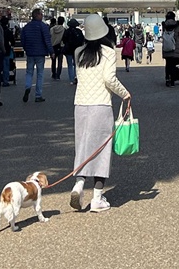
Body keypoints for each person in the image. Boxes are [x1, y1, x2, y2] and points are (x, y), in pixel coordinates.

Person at [70, 13, 132, 213]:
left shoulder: (78, 52)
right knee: (101, 150)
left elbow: (81, 77)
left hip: (80, 105)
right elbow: (109, 79)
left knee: (83, 146)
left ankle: (78, 184)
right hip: (101, 105)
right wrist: (125, 94)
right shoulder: (108, 52)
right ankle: (97, 197)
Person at [20, 8, 51, 103]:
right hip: (40, 52)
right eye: (41, 14)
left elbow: (23, 39)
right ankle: (38, 95)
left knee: (29, 72)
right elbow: (47, 40)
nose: (42, 16)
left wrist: (26, 48)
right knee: (40, 74)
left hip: (30, 52)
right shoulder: (43, 26)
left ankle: (28, 86)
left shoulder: (26, 27)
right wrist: (51, 51)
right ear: (38, 15)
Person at [160, 12, 179, 87]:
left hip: (166, 48)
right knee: (173, 64)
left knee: (168, 64)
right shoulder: (177, 26)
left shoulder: (164, 25)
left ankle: (167, 79)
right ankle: (173, 81)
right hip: (175, 48)